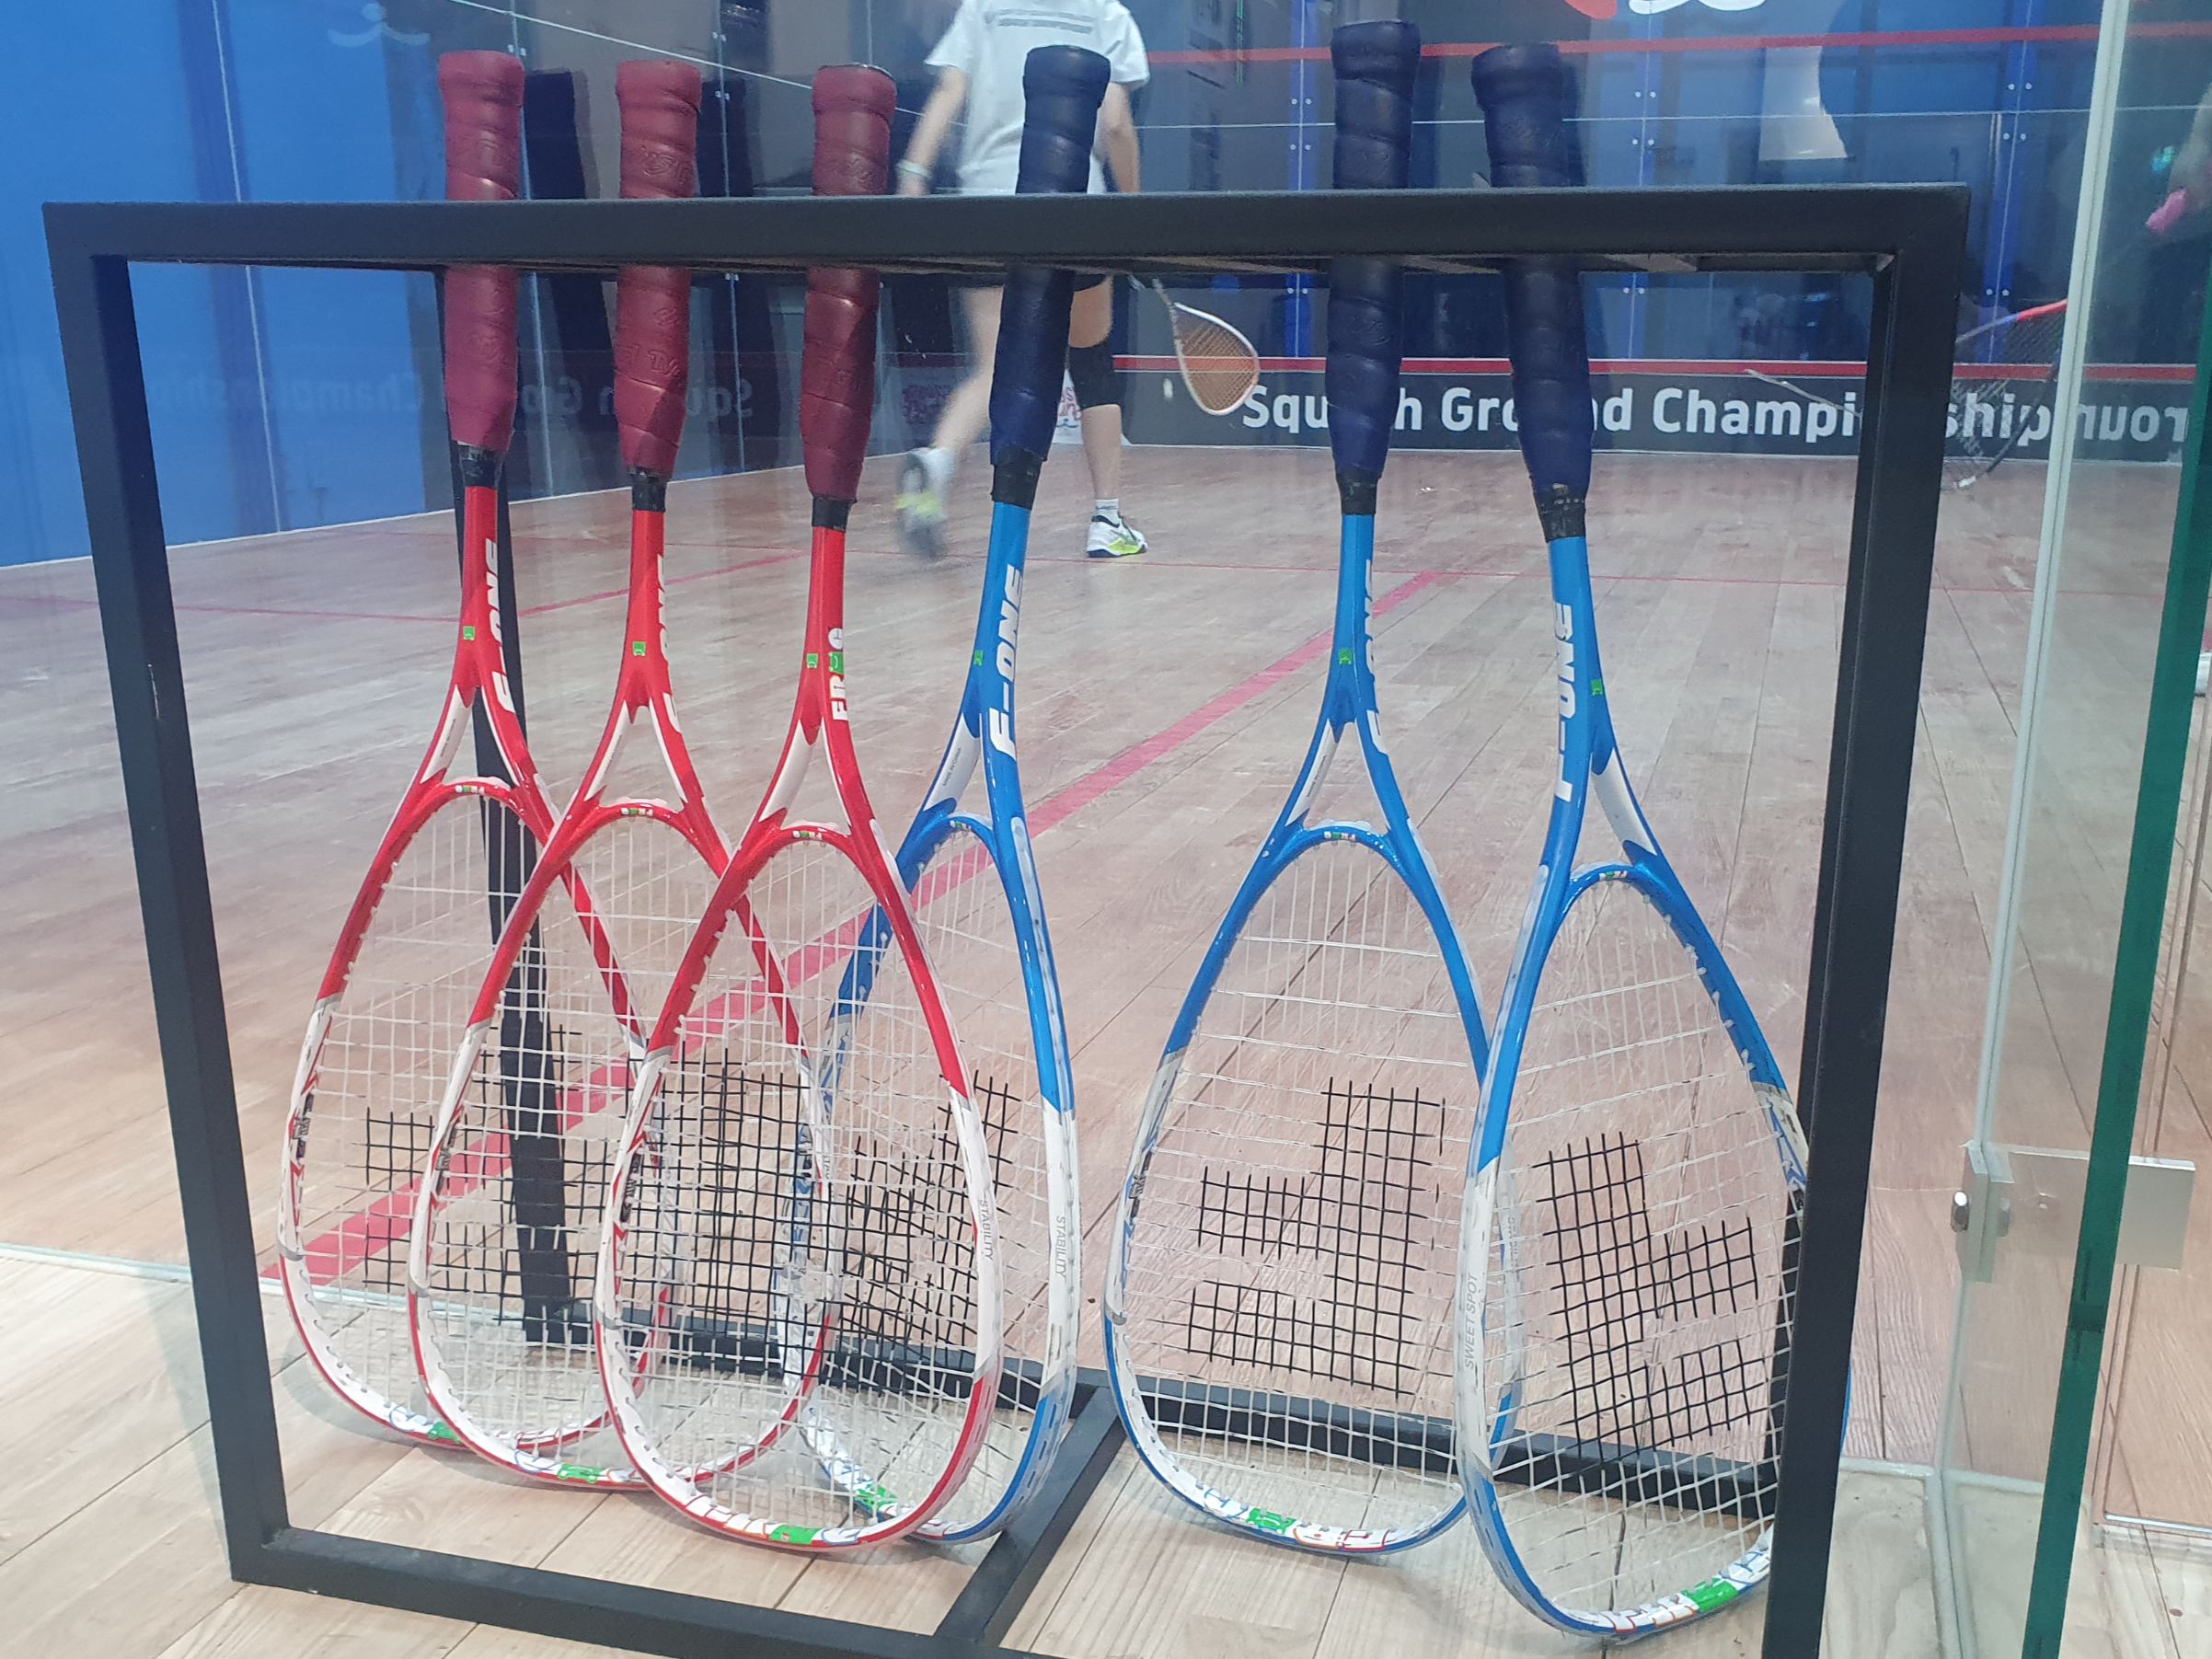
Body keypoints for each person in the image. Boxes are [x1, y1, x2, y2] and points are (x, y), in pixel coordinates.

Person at [893, 0, 1150, 559]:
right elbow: (1115, 123)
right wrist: (1133, 215)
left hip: (987, 206)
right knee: (1091, 361)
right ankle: (1108, 520)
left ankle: (936, 460)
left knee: (996, 367)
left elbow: (949, 91)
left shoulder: (984, 6)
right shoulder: (1105, 14)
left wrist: (913, 176)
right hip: (1073, 206)